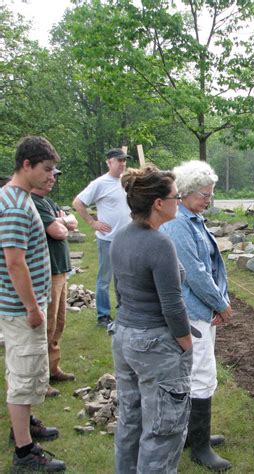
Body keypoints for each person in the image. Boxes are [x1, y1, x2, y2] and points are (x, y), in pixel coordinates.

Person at [110, 165, 193, 473]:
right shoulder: (160, 244)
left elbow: (119, 290)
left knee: (131, 420)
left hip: (125, 337)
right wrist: (185, 346)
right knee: (162, 430)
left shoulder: (121, 237)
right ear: (159, 202)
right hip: (155, 344)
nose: (179, 201)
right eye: (176, 196)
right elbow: (172, 304)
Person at [0, 136, 66, 471]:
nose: (52, 176)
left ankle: (22, 425)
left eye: (54, 170)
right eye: (46, 170)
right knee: (24, 372)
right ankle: (24, 453)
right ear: (26, 165)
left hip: (26, 305)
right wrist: (32, 308)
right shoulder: (13, 205)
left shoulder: (21, 197)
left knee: (24, 371)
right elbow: (14, 262)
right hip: (20, 309)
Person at [161, 161, 232, 471]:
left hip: (203, 308)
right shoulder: (178, 225)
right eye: (205, 194)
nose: (209, 199)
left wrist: (219, 299)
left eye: (211, 194)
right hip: (193, 311)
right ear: (187, 193)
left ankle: (193, 434)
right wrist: (220, 303)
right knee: (202, 374)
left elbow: (213, 265)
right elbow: (196, 273)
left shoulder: (194, 219)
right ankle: (199, 447)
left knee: (196, 372)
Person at [32, 168, 78, 397]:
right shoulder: (35, 202)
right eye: (49, 174)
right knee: (47, 326)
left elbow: (73, 222)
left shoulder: (47, 201)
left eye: (56, 175)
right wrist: (62, 222)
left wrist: (63, 221)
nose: (53, 179)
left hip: (60, 271)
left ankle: (53, 368)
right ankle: (40, 379)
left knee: (59, 322)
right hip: (47, 272)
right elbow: (59, 232)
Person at [72, 148, 131, 328]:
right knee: (104, 278)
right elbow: (77, 202)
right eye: (118, 160)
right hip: (107, 239)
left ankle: (124, 312)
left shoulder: (127, 182)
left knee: (124, 277)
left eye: (124, 161)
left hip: (127, 238)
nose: (122, 164)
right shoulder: (100, 183)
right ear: (109, 162)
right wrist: (92, 222)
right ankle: (103, 316)